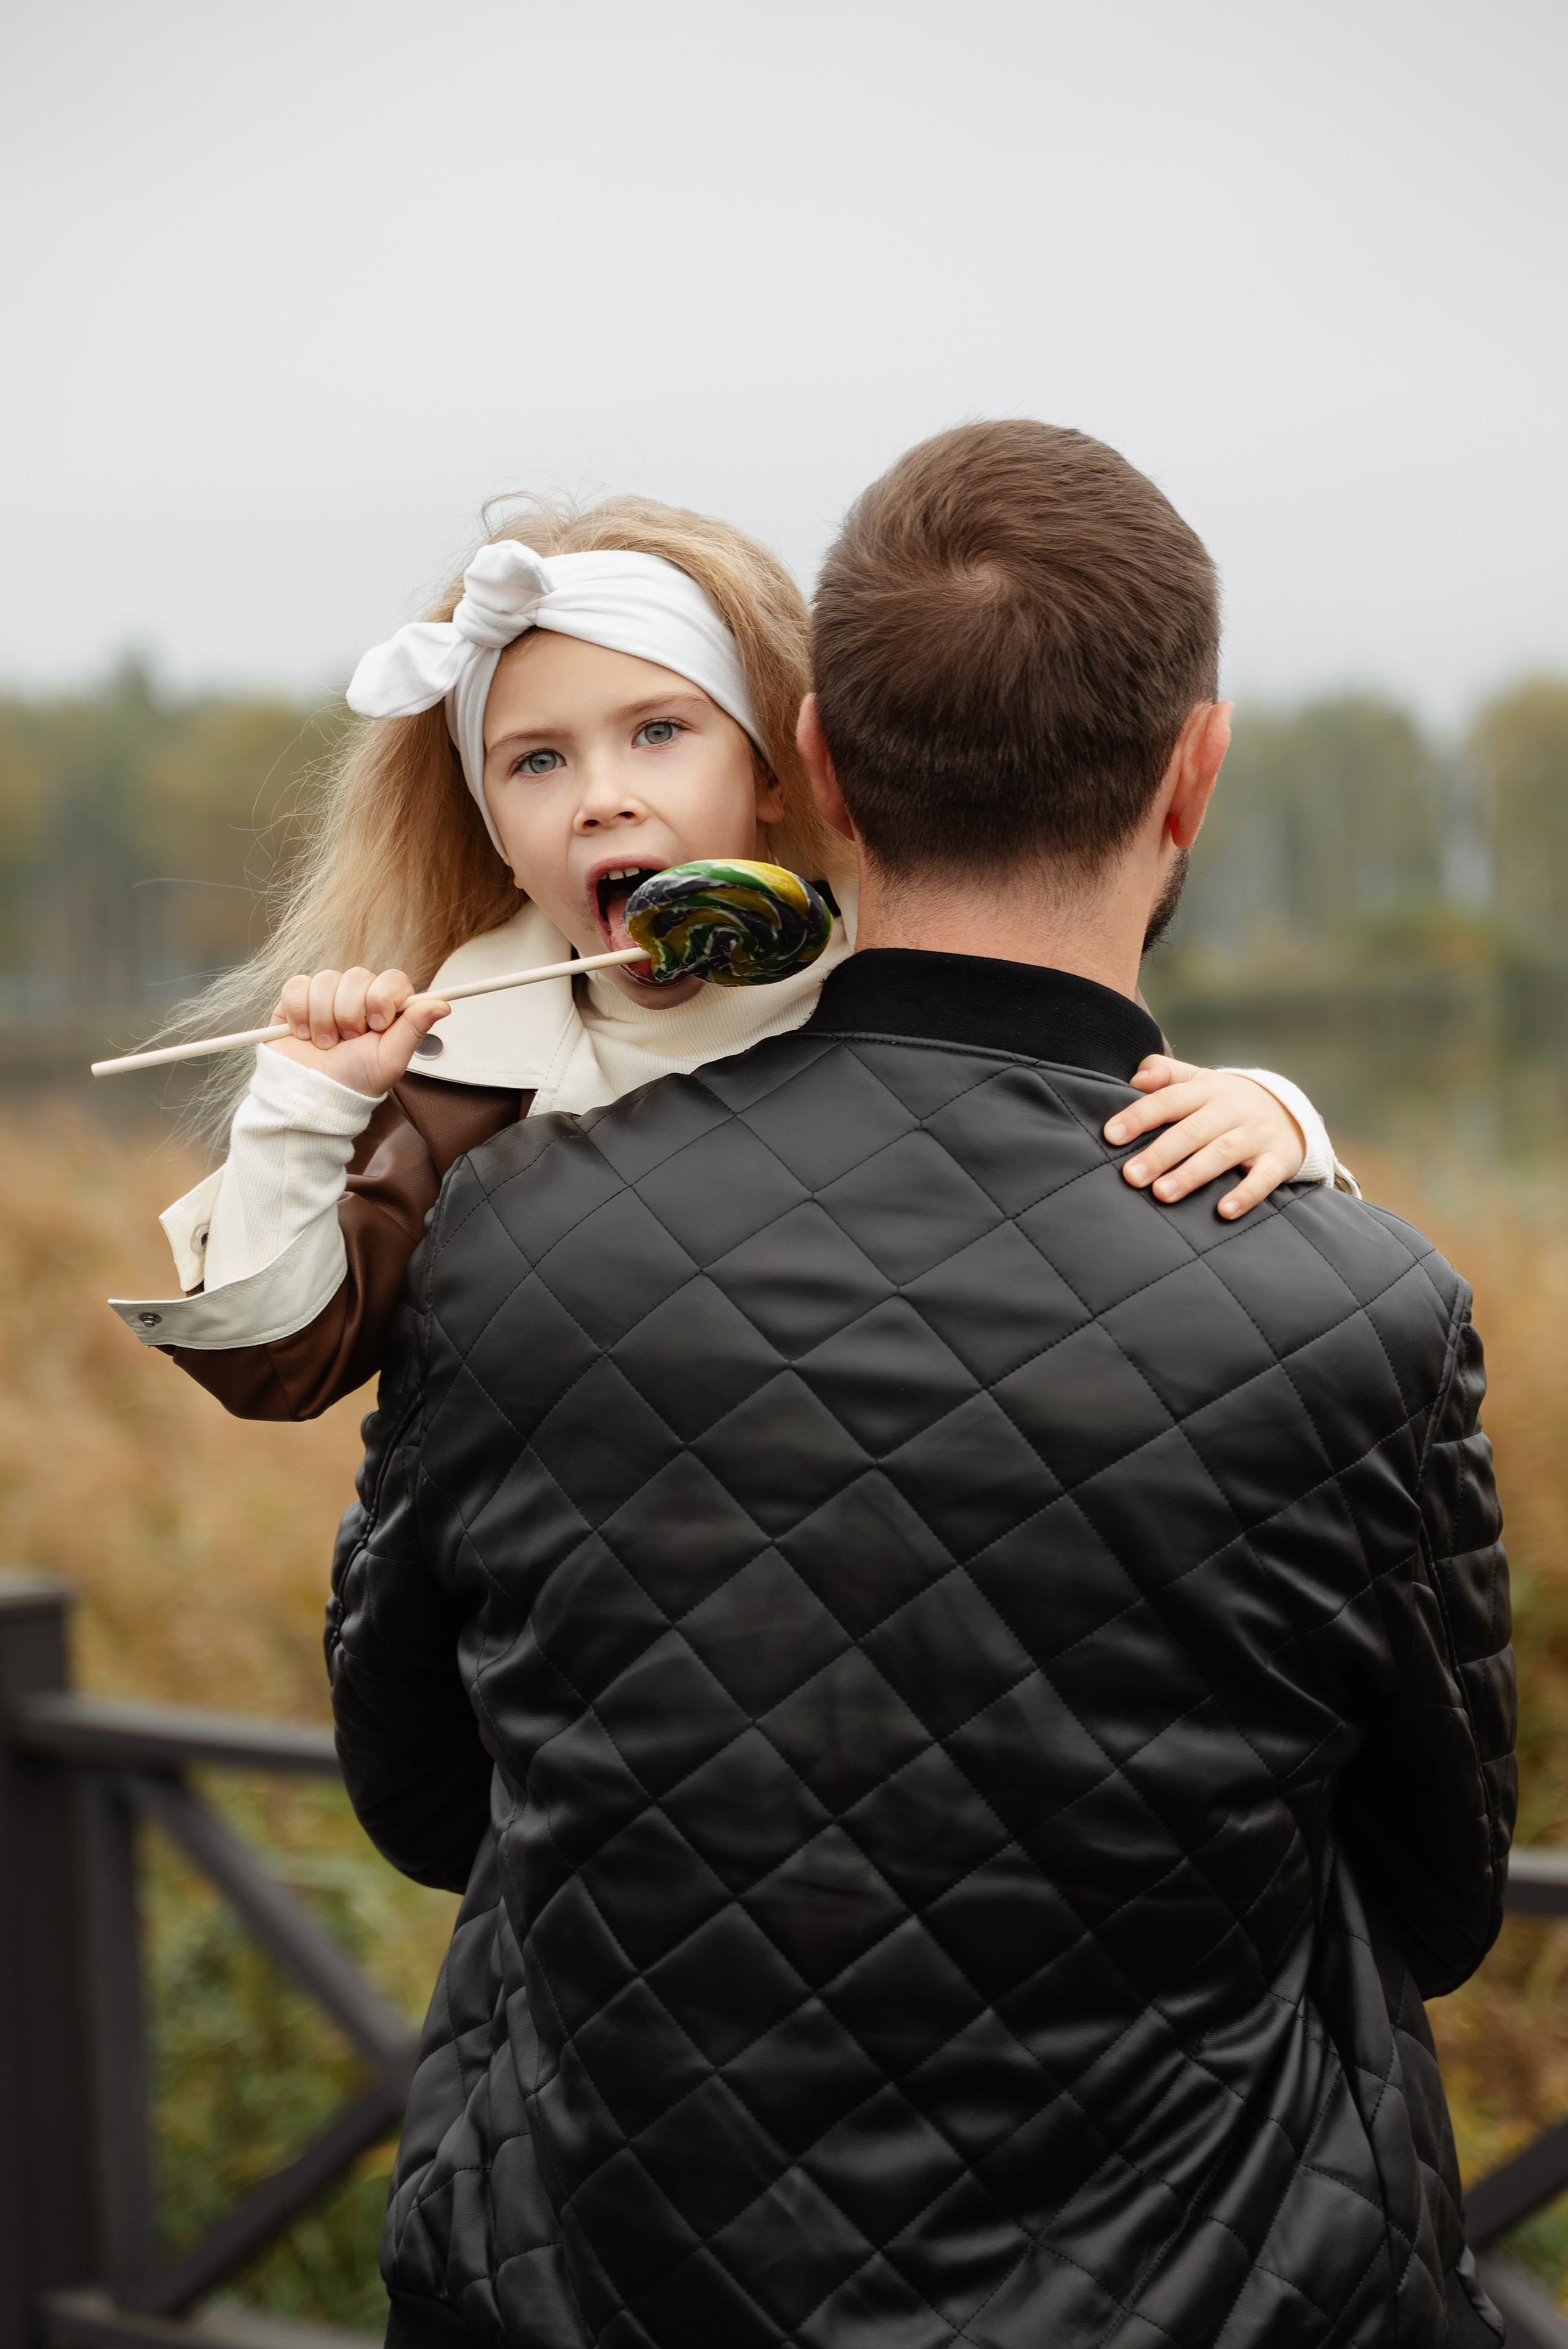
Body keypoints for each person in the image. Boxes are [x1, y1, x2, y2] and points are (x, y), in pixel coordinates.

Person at [327, 421, 1516, 2348]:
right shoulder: (1359, 1305)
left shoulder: (518, 1235)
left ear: (817, 770)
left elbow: (416, 1785)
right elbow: (1441, 1895)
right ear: (1194, 772)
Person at [108, 497, 1348, 1417]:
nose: (599, 798)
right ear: (490, 823)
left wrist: (1278, 1117)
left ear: (767, 770)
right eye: (535, 761)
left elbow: (1128, 1156)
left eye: (657, 733)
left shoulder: (909, 978)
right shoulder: (457, 1065)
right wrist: (308, 1106)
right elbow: (278, 1365)